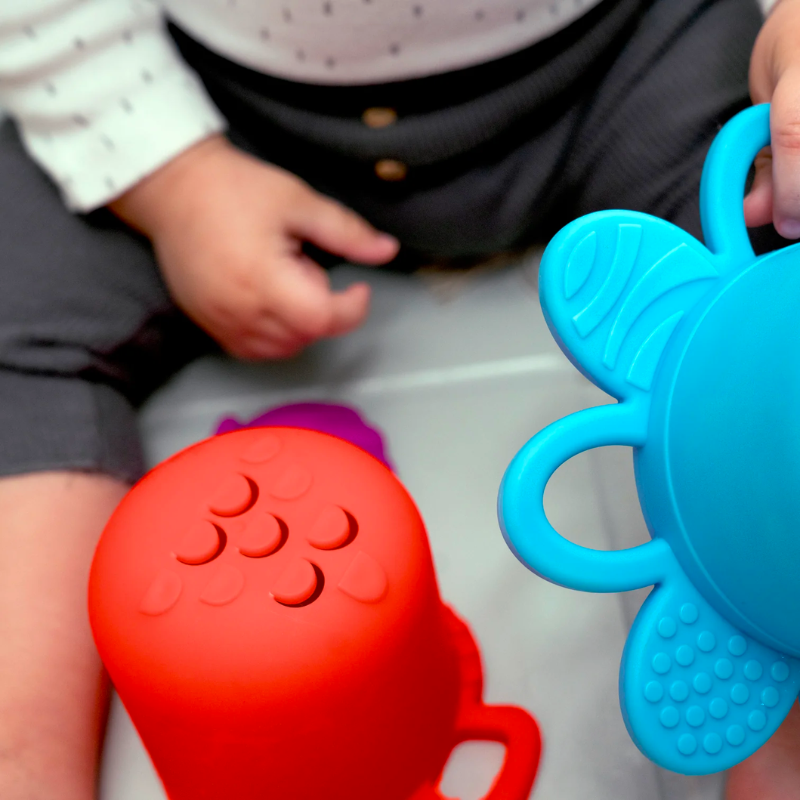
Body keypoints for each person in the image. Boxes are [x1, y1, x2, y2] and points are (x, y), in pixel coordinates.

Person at [0, 0, 796, 798]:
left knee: (770, 309)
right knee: (15, 306)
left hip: (627, 57)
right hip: (195, 91)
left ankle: (779, 699)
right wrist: (168, 173)